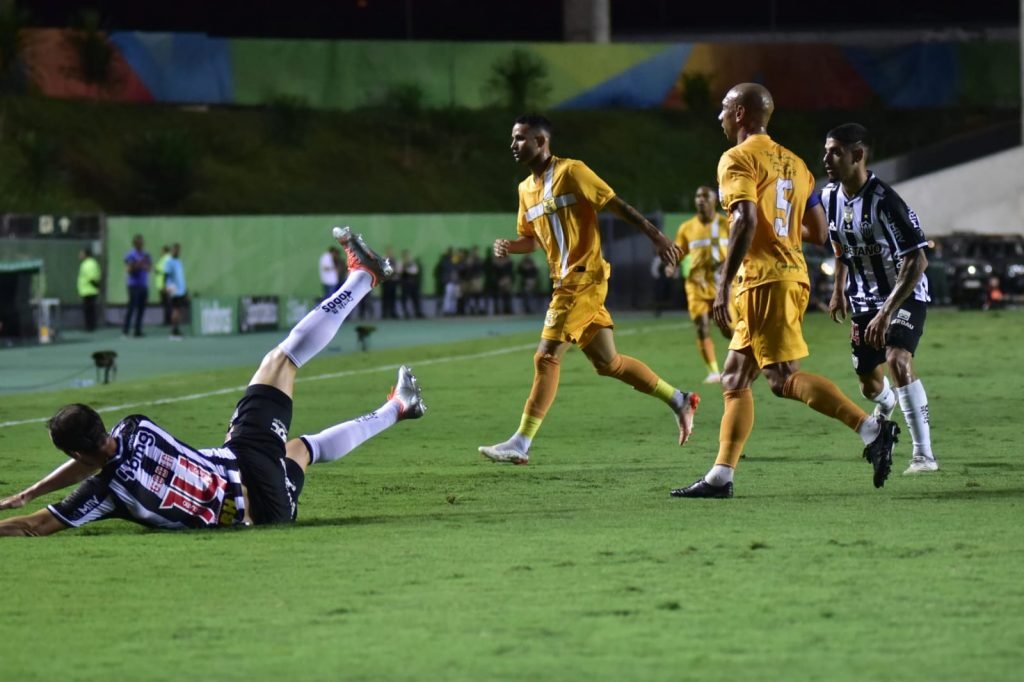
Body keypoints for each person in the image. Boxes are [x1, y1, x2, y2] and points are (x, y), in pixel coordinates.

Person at [0, 228, 424, 536]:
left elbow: (36, 526)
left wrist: (30, 498)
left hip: (268, 510)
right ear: (102, 423)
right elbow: (93, 457)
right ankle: (364, 279)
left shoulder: (105, 491)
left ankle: (398, 403)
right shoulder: (134, 426)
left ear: (76, 450)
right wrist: (32, 491)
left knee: (300, 447)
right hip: (246, 469)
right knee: (281, 359)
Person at [670, 84, 899, 499]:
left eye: (724, 109)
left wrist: (722, 284)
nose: (719, 116)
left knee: (782, 378)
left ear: (740, 113)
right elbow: (817, 231)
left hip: (763, 281)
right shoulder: (795, 163)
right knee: (736, 376)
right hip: (790, 275)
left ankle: (870, 428)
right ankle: (721, 476)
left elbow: (744, 219)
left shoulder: (737, 158)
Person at [478, 113, 699, 465]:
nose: (514, 144)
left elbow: (616, 204)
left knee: (546, 356)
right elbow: (532, 240)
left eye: (521, 138)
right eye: (513, 138)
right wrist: (510, 246)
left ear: (541, 141)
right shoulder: (525, 190)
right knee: (608, 363)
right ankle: (679, 399)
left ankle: (521, 442)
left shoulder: (572, 171)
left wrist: (656, 237)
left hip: (584, 278)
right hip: (566, 281)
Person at [823, 123, 938, 475]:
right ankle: (887, 404)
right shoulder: (829, 196)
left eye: (835, 151)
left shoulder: (885, 201)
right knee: (869, 384)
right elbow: (839, 243)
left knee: (898, 360)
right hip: (863, 301)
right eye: (826, 150)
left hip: (903, 294)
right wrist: (839, 287)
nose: (826, 158)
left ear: (857, 155)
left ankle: (923, 455)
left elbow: (918, 260)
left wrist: (887, 312)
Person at [671, 186, 734, 383]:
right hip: (696, 285)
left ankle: (742, 364)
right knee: (702, 326)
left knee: (729, 329)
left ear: (714, 201)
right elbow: (679, 253)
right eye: (698, 196)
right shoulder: (686, 228)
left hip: (722, 286)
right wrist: (671, 266)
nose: (700, 200)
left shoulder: (727, 224)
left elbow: (740, 249)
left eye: (705, 197)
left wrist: (728, 263)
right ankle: (714, 372)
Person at [122, 234, 152, 338]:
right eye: (138, 242)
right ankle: (125, 330)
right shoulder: (130, 255)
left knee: (141, 308)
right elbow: (129, 269)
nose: (141, 244)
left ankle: (137, 330)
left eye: (142, 242)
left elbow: (149, 268)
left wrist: (145, 266)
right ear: (135, 243)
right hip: (133, 285)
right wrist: (138, 264)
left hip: (143, 285)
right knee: (131, 307)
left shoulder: (146, 255)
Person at [163, 243, 188, 340]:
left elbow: (180, 277)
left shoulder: (179, 262)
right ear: (172, 251)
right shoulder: (169, 262)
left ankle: (177, 329)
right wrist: (167, 287)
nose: (177, 251)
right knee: (175, 310)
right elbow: (166, 276)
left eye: (178, 250)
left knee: (179, 310)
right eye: (175, 250)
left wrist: (185, 289)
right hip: (174, 289)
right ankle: (173, 331)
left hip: (181, 290)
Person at [76, 248, 102, 332]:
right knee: (90, 310)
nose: (80, 255)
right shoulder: (91, 263)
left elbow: (92, 277)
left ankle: (89, 327)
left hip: (89, 291)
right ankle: (90, 326)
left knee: (89, 310)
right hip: (89, 290)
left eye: (81, 253)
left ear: (86, 254)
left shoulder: (88, 264)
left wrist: (96, 286)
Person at [155, 245, 172, 325]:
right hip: (162, 284)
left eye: (161, 250)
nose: (160, 252)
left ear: (165, 251)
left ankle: (168, 320)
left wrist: (165, 285)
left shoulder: (167, 259)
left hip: (165, 285)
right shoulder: (163, 259)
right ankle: (167, 319)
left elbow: (166, 272)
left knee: (167, 302)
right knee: (165, 303)